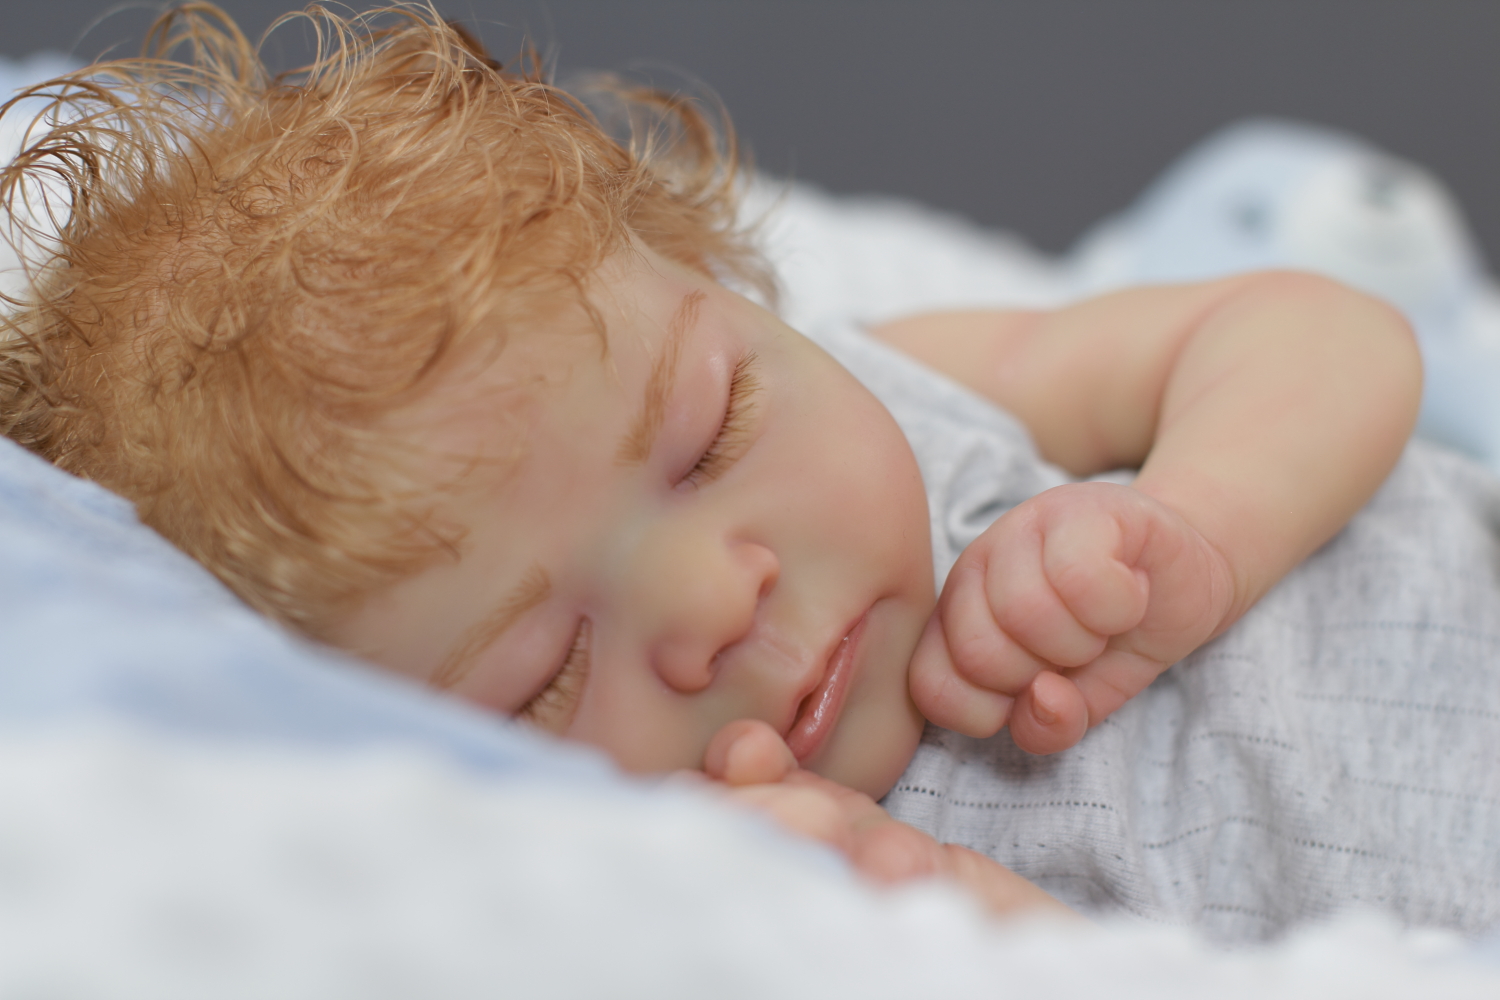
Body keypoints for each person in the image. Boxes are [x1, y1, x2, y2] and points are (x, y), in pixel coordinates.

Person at [5, 4, 1497, 937]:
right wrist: (968, 928)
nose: (715, 599)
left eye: (708, 436)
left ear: (726, 285)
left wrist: (1199, 517)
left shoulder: (920, 379)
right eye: (541, 674)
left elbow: (1313, 328)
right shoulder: (757, 882)